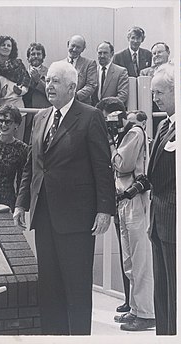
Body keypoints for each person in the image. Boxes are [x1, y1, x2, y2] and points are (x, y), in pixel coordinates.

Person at [13, 61, 115, 335]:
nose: (49, 86)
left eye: (55, 81)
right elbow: (31, 165)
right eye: (47, 80)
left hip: (77, 219)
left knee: (77, 290)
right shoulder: (40, 117)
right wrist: (22, 202)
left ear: (72, 87)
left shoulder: (90, 116)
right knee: (49, 289)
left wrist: (105, 209)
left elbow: (102, 166)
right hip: (44, 216)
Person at [109, 110, 155, 331]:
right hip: (123, 200)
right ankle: (136, 309)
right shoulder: (124, 135)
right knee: (130, 261)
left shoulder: (135, 132)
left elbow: (123, 165)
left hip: (135, 199)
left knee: (140, 259)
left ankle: (147, 313)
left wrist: (110, 143)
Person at [95, 97, 131, 313]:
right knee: (124, 253)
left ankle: (135, 303)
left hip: (130, 200)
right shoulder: (114, 137)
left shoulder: (129, 135)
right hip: (116, 201)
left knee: (132, 255)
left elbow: (121, 164)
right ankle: (128, 299)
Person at [148, 63, 176, 335]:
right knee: (163, 294)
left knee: (174, 293)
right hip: (158, 221)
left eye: (160, 93)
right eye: (153, 93)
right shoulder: (164, 126)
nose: (155, 99)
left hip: (173, 221)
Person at [0, 35, 30, 140]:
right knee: (0, 141)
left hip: (18, 108)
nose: (6, 47)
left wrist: (20, 91)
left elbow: (26, 83)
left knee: (18, 142)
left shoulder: (18, 64)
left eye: (9, 45)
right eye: (3, 45)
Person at [23, 42, 50, 144]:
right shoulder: (22, 72)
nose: (36, 56)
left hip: (42, 114)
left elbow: (50, 91)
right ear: (28, 57)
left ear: (43, 56)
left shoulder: (49, 72)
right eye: (32, 54)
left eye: (38, 54)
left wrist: (38, 81)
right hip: (25, 115)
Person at [62, 35, 98, 105]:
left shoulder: (90, 64)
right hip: (63, 104)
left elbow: (91, 85)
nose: (74, 49)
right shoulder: (59, 64)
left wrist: (75, 96)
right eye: (73, 45)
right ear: (68, 44)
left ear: (83, 49)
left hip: (82, 104)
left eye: (78, 47)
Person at [92, 41, 129, 107]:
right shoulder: (92, 71)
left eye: (105, 53)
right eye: (100, 53)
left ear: (112, 54)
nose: (102, 56)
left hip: (112, 111)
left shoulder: (121, 71)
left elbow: (123, 95)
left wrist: (106, 107)